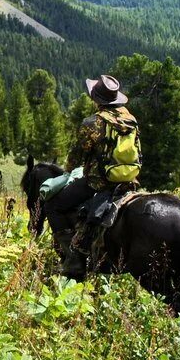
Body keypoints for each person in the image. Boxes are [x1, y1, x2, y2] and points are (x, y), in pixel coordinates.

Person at [45, 75, 142, 279]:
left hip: (98, 183)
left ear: (96, 99)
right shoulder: (130, 120)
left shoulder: (93, 123)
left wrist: (69, 169)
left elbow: (76, 155)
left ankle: (74, 260)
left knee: (53, 205)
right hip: (128, 180)